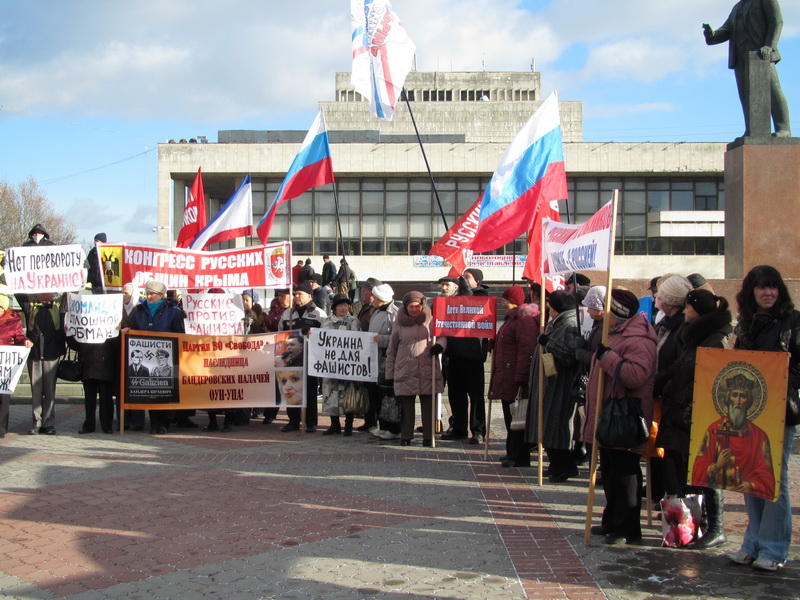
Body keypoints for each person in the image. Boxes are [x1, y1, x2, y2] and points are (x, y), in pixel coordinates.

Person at [724, 265, 798, 571]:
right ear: (750, 292)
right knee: (747, 479)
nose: (768, 293)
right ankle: (751, 544)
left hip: (780, 412)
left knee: (773, 481)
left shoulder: (793, 322)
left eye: (773, 287)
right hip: (748, 414)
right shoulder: (745, 325)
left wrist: (779, 378)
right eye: (761, 287)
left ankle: (774, 548)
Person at [658, 289, 733, 549]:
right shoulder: (692, 336)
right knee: (688, 471)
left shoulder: (715, 340)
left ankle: (717, 527)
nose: (685, 310)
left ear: (698, 310)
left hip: (701, 416)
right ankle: (691, 526)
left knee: (708, 470)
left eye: (688, 307)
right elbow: (681, 369)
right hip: (682, 413)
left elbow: (710, 379)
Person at [583, 289, 658, 546]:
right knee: (612, 471)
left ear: (617, 313)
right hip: (609, 415)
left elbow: (635, 375)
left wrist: (608, 357)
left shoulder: (639, 338)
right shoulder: (615, 333)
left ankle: (628, 529)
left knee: (625, 473)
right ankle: (612, 521)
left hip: (625, 417)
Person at [703, 0, 791, 137]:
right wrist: (712, 35)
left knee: (772, 91)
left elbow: (776, 21)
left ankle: (783, 129)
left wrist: (769, 45)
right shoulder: (737, 7)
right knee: (746, 96)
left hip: (761, 55)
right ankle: (752, 130)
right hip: (740, 58)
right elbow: (727, 30)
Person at [526, 290, 584, 482]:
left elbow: (569, 355)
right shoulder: (556, 322)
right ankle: (558, 464)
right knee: (546, 425)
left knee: (554, 426)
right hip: (548, 383)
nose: (548, 310)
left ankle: (564, 465)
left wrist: (548, 342)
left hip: (559, 385)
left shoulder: (569, 325)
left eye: (550, 306)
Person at [691, 372, 775, 498]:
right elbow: (697, 469)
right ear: (728, 398)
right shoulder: (714, 429)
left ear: (749, 401)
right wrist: (716, 465)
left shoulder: (759, 436)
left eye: (743, 396)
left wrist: (752, 485)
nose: (738, 401)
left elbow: (767, 475)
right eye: (734, 395)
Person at [122, 280, 185, 434]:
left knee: (165, 391)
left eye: (152, 294)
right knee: (150, 391)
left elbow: (180, 334)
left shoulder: (173, 312)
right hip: (147, 358)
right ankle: (154, 422)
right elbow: (136, 330)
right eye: (148, 293)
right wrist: (128, 332)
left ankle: (164, 423)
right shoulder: (140, 311)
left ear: (161, 296)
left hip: (167, 358)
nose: (149, 296)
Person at [488, 285, 539, 468]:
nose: (503, 304)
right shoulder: (512, 318)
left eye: (505, 300)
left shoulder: (523, 320)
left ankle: (519, 456)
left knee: (517, 418)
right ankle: (512, 453)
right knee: (511, 418)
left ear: (513, 301)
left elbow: (526, 351)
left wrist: (522, 376)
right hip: (507, 375)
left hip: (515, 378)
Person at [385, 291, 445, 447]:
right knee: (406, 407)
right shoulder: (399, 323)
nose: (414, 309)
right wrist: (389, 374)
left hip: (427, 369)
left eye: (417, 306)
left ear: (422, 305)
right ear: (406, 308)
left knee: (428, 407)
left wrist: (439, 346)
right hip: (405, 369)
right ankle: (406, 436)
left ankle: (428, 437)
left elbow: (442, 335)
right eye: (411, 306)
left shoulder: (431, 320)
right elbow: (392, 350)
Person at [440, 273, 488, 445]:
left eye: (467, 277)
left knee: (475, 396)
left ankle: (478, 430)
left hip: (473, 354)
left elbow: (472, 304)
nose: (463, 280)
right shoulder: (449, 300)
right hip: (453, 353)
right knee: (455, 394)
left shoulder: (481, 296)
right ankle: (459, 428)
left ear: (477, 281)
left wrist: (466, 291)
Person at [277, 282, 325, 432]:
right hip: (291, 360)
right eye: (295, 294)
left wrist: (312, 332)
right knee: (291, 390)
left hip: (311, 358)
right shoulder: (288, 313)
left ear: (310, 296)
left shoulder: (319, 313)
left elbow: (326, 335)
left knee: (310, 391)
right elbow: (279, 332)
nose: (296, 297)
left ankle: (311, 423)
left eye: (300, 294)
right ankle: (293, 421)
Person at [320, 295, 362, 435]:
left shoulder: (353, 321)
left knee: (347, 394)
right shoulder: (326, 322)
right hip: (330, 366)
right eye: (340, 305)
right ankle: (334, 424)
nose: (344, 308)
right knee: (331, 394)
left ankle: (348, 425)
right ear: (334, 308)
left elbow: (359, 342)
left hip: (347, 366)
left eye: (346, 305)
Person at [25, 293, 66, 435]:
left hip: (51, 355)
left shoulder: (58, 308)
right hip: (35, 355)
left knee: (49, 391)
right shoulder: (30, 308)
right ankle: (36, 422)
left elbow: (68, 294)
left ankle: (49, 423)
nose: (44, 295)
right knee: (36, 391)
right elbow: (20, 294)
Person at [367, 283, 399, 439]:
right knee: (378, 394)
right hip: (374, 358)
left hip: (386, 359)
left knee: (388, 395)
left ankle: (393, 428)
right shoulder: (376, 312)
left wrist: (383, 340)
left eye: (375, 296)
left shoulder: (394, 314)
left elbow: (397, 337)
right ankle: (383, 425)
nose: (372, 299)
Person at [0, 295, 32, 438]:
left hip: (5, 366)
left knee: (3, 399)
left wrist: (25, 341)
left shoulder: (13, 321)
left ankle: (1, 429)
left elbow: (19, 336)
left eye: (0, 307)